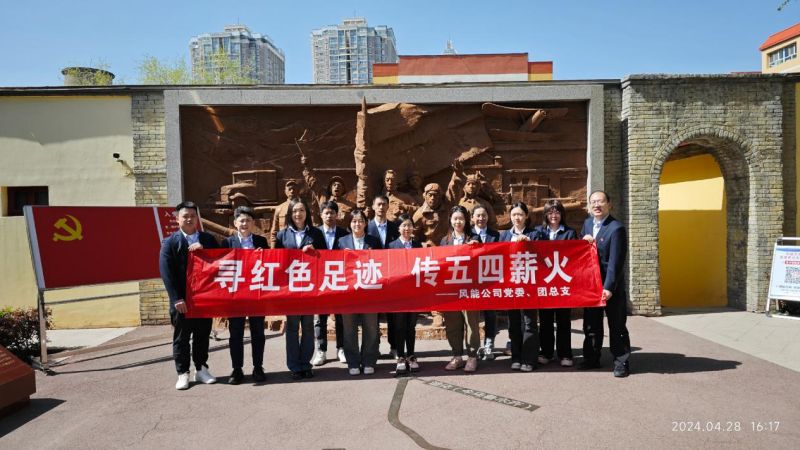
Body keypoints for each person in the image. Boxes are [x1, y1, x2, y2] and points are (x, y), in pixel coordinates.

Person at [159, 201, 220, 390]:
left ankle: (201, 369)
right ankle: (182, 373)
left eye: (193, 216)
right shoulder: (170, 242)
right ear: (177, 219)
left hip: (204, 299)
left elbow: (220, 262)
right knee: (182, 338)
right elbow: (166, 273)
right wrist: (176, 298)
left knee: (202, 336)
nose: (189, 219)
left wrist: (205, 251)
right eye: (185, 216)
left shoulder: (208, 239)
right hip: (182, 301)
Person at [579, 190, 631, 378]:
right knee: (591, 324)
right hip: (591, 286)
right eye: (593, 202)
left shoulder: (616, 228)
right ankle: (591, 358)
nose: (597, 205)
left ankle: (621, 362)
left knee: (616, 325)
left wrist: (608, 287)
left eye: (600, 201)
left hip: (611, 287)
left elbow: (615, 262)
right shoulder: (587, 224)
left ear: (609, 204)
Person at [274, 198, 327, 381]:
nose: (298, 214)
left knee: (308, 326)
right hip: (290, 290)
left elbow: (327, 258)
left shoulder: (316, 233)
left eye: (302, 210)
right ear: (290, 213)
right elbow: (276, 261)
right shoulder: (282, 235)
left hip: (309, 288)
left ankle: (306, 364)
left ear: (307, 213)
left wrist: (315, 251)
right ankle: (294, 366)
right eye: (295, 211)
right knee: (292, 327)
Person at [221, 206, 268, 384]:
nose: (245, 223)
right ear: (235, 223)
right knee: (236, 333)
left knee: (258, 332)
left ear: (253, 223)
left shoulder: (261, 242)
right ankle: (237, 369)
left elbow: (270, 265)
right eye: (241, 220)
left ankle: (258, 367)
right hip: (236, 296)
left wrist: (264, 256)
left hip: (256, 294)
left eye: (248, 220)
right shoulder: (227, 243)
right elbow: (220, 266)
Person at [534, 199, 578, 368]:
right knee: (545, 320)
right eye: (550, 212)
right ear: (545, 215)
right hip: (544, 283)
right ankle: (546, 352)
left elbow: (575, 256)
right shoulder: (539, 232)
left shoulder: (570, 233)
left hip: (562, 283)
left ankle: (565, 353)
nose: (554, 215)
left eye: (557, 212)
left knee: (563, 320)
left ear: (562, 214)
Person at [338, 209, 382, 375]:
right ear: (350, 224)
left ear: (366, 223)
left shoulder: (374, 241)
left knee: (371, 328)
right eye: (354, 221)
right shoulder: (341, 242)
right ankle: (353, 362)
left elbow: (382, 263)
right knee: (349, 329)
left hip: (370, 293)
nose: (357, 224)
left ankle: (369, 361)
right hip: (348, 294)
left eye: (360, 221)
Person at [500, 201, 541, 372]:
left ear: (526, 216)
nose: (517, 218)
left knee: (530, 322)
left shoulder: (535, 234)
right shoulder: (504, 236)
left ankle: (529, 359)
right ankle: (516, 357)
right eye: (514, 214)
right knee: (514, 323)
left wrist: (529, 243)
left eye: (520, 215)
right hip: (511, 286)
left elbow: (543, 255)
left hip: (529, 286)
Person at [440, 205, 482, 372]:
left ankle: (472, 356)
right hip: (450, 289)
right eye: (455, 218)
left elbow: (482, 260)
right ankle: (457, 356)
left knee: (471, 323)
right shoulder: (445, 241)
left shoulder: (474, 238)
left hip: (469, 288)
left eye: (461, 219)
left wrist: (476, 247)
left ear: (466, 221)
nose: (458, 222)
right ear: (450, 220)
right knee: (452, 323)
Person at [312, 201, 349, 366]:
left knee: (340, 316)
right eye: (326, 213)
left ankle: (341, 348)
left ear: (337, 214)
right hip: (320, 280)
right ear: (321, 215)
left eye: (332, 213)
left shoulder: (344, 234)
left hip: (339, 280)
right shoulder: (314, 233)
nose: (329, 216)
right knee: (320, 317)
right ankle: (321, 350)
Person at [387, 214, 423, 373]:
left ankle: (412, 356)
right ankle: (401, 357)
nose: (407, 228)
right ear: (398, 228)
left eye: (409, 225)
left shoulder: (418, 246)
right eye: (404, 225)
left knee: (411, 326)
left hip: (414, 293)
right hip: (398, 294)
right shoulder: (391, 246)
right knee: (399, 325)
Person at [366, 194, 401, 358]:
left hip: (392, 276)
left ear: (388, 207)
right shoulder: (366, 227)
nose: (381, 207)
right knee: (373, 315)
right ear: (373, 206)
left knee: (393, 314)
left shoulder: (395, 227)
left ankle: (394, 347)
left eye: (384, 204)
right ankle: (374, 347)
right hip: (372, 275)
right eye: (378, 204)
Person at [471, 205, 501, 361]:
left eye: (483, 215)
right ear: (472, 218)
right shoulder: (468, 234)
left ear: (488, 217)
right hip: (471, 281)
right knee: (473, 316)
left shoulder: (495, 235)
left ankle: (489, 343)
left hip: (490, 281)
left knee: (490, 314)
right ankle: (475, 345)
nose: (481, 218)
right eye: (478, 215)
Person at [301, 155, 356, 227]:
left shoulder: (351, 205)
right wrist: (307, 167)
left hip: (342, 233)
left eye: (339, 185)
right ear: (330, 188)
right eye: (334, 185)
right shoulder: (324, 199)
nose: (337, 187)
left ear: (343, 189)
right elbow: (313, 183)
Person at [269, 179, 302, 247]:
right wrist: (273, 249)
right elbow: (274, 231)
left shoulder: (303, 207)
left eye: (294, 189)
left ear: (298, 191)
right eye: (289, 189)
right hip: (283, 244)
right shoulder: (279, 208)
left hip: (300, 244)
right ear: (285, 191)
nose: (292, 191)